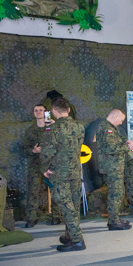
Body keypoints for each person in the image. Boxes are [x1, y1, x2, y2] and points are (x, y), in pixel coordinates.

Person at [40, 98, 85, 251]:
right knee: (73, 204)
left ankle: (77, 240)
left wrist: (44, 169)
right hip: (75, 171)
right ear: (68, 110)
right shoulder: (80, 126)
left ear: (53, 111)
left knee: (66, 207)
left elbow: (46, 153)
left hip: (58, 173)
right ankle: (70, 236)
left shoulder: (52, 129)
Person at [93, 109, 133, 230]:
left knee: (117, 193)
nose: (121, 123)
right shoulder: (107, 128)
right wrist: (128, 146)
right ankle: (113, 222)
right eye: (121, 120)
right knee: (116, 194)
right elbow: (111, 148)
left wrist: (125, 141)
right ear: (116, 117)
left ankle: (114, 218)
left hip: (114, 167)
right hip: (112, 167)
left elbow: (113, 143)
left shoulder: (109, 127)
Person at [23, 103, 60, 227]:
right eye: (36, 110)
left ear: (46, 113)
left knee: (55, 190)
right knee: (33, 191)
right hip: (36, 166)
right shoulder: (31, 130)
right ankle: (31, 218)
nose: (38, 112)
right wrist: (33, 151)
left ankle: (56, 216)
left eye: (41, 110)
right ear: (33, 113)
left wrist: (54, 126)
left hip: (51, 165)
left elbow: (60, 143)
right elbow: (24, 148)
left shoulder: (52, 127)